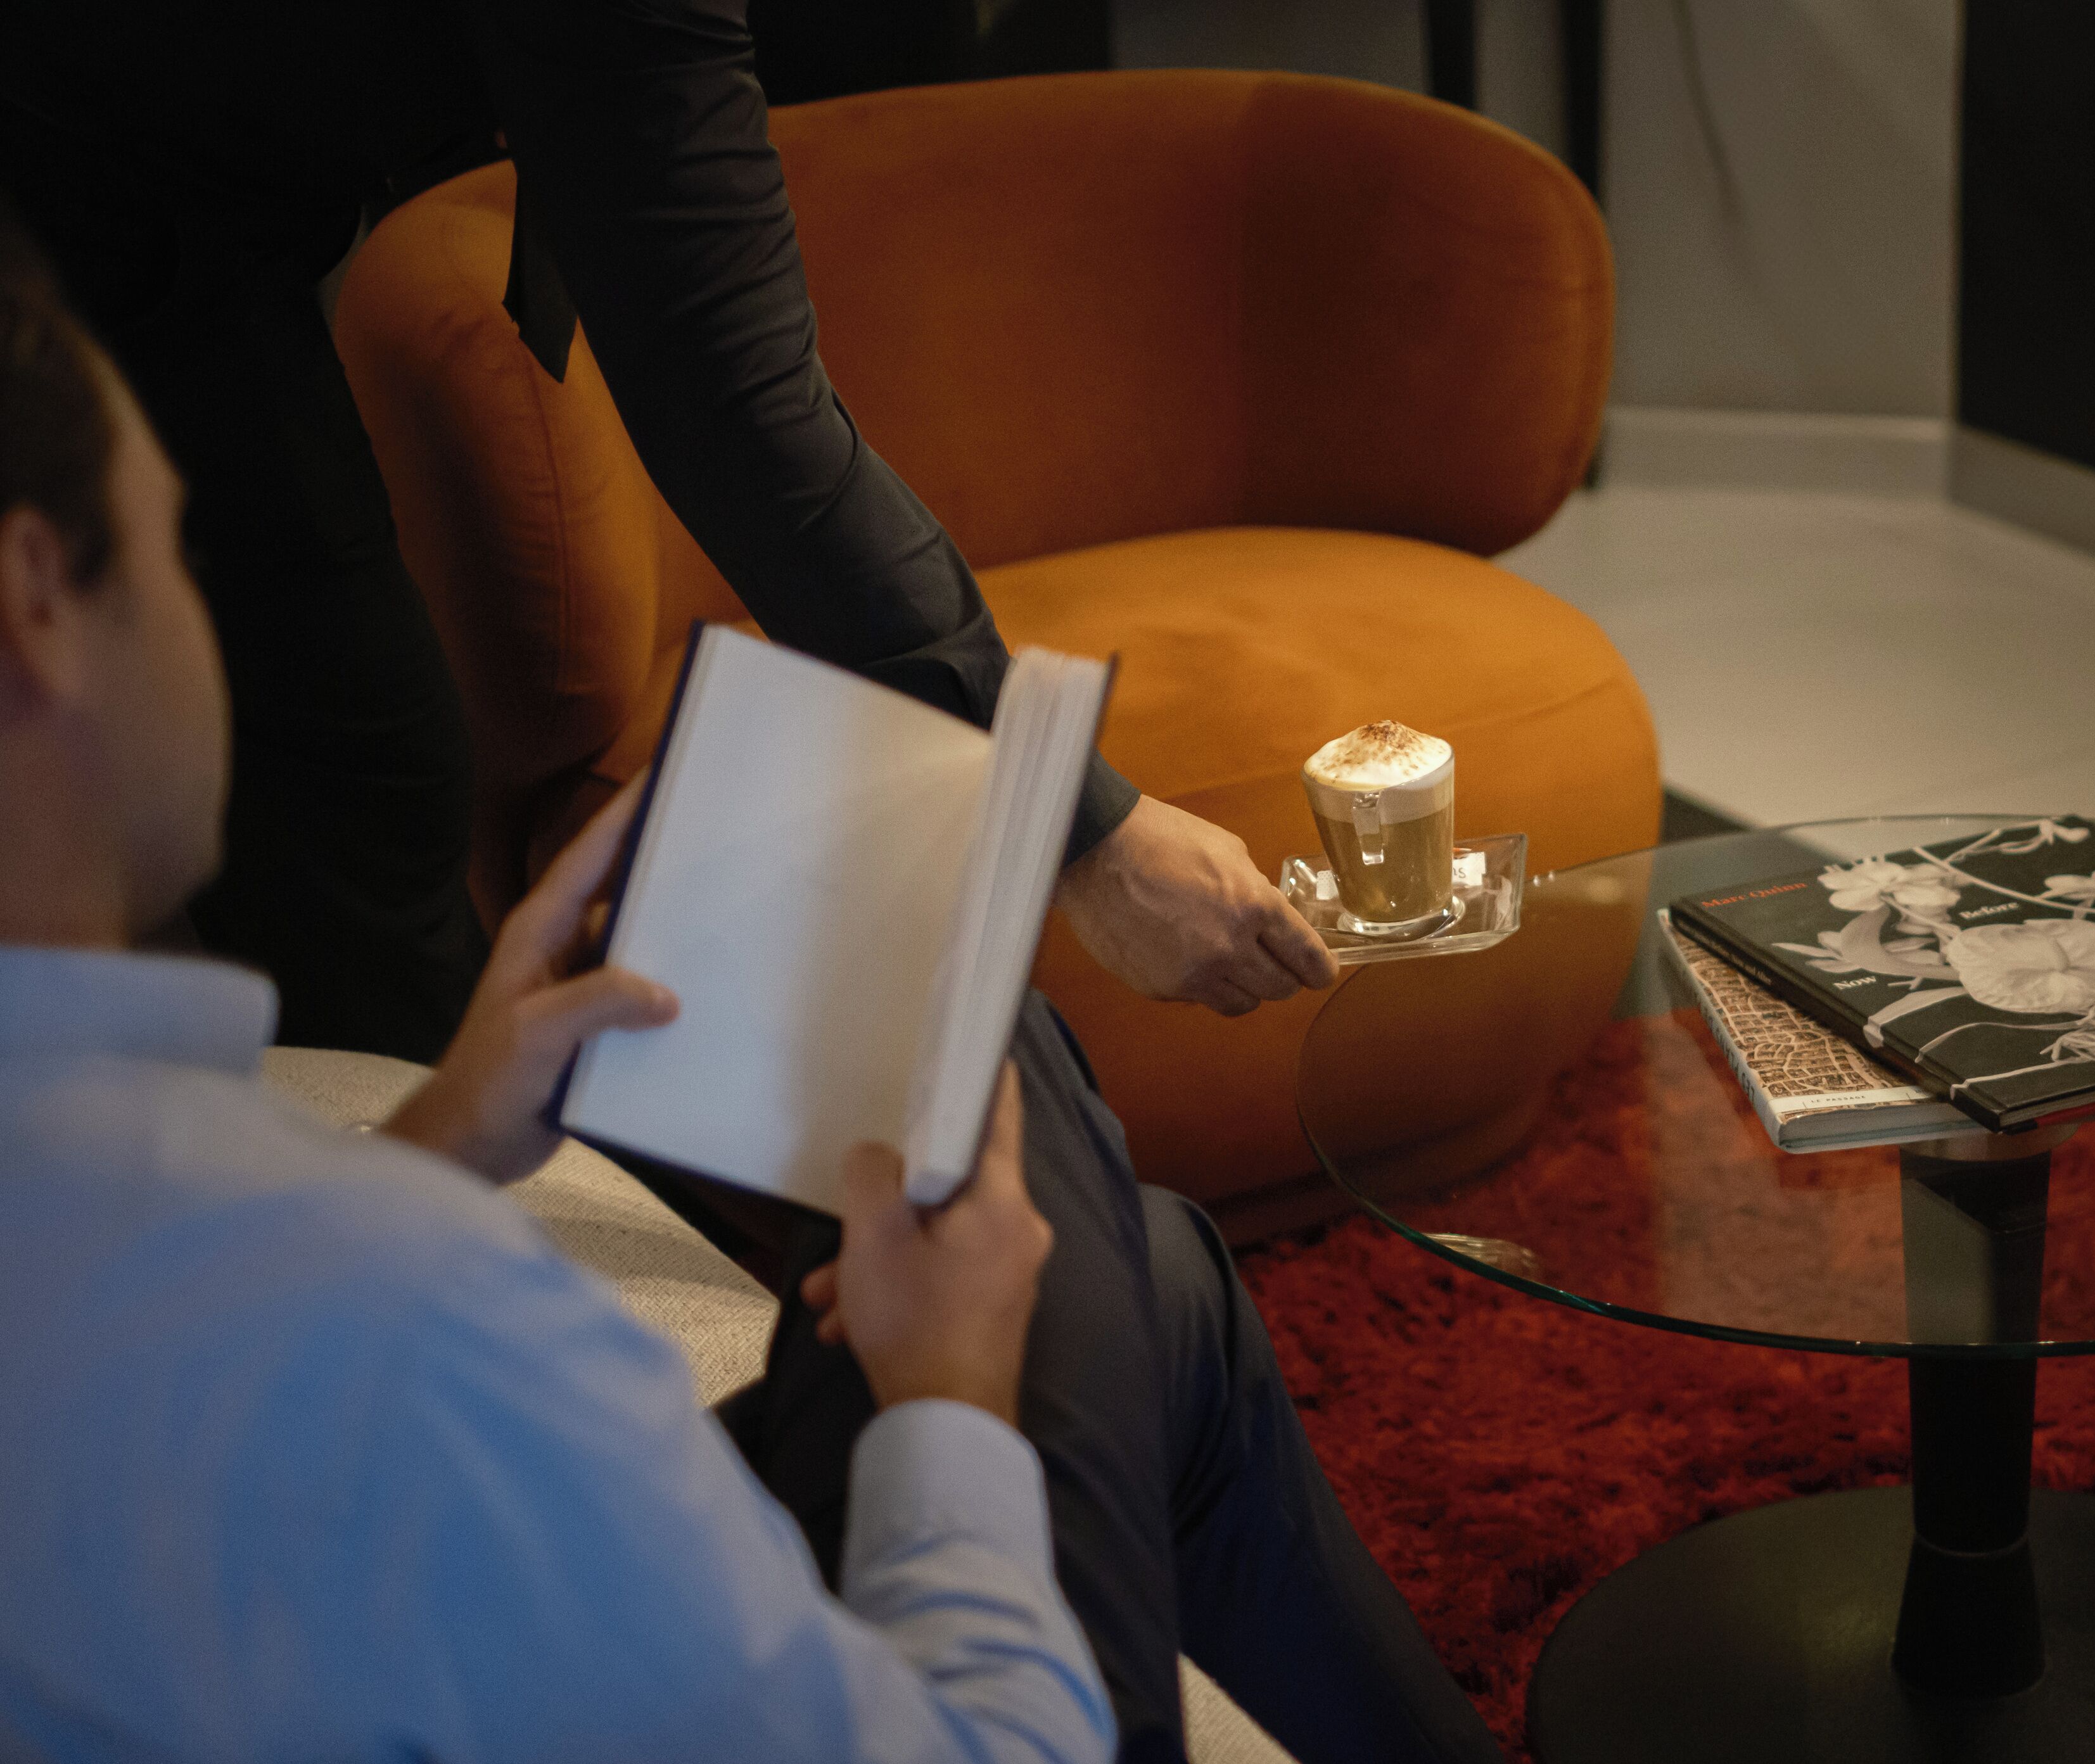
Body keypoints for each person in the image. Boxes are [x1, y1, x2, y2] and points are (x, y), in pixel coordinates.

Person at [0, 244, 1501, 1763]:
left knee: (1166, 1276)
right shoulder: (437, 1334)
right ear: (35, 603)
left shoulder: (138, 1228)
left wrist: (438, 1143)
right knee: (996, 1071)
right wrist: (954, 1404)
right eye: (173, 548)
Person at [0, 0, 1336, 1062]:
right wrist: (1081, 828)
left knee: (364, 773)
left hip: (178, 223)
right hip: (75, 209)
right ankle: (431, 1308)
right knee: (356, 776)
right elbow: (736, 406)